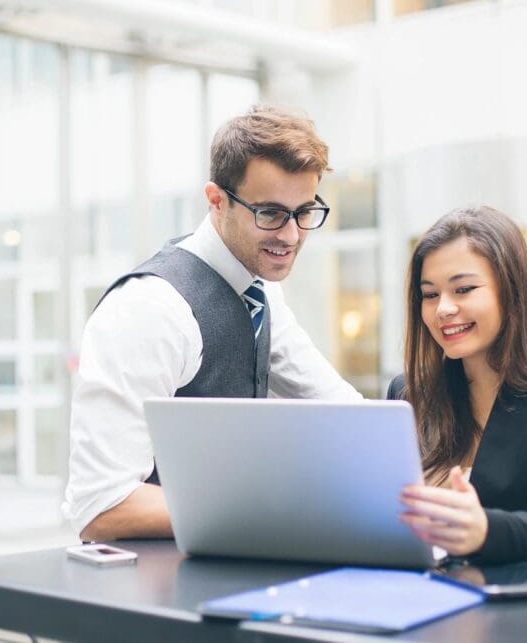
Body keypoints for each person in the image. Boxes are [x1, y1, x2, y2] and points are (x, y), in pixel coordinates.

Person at [63, 105, 362, 542]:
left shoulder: (260, 293)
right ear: (217, 200)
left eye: (304, 212)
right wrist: (273, 505)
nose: (293, 236)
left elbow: (338, 406)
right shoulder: (150, 308)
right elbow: (100, 505)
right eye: (271, 214)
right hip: (151, 587)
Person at [389, 205, 527, 564]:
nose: (443, 309)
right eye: (430, 294)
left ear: (511, 292)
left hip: (521, 609)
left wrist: (485, 531)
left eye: (463, 289)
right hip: (421, 596)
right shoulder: (409, 393)